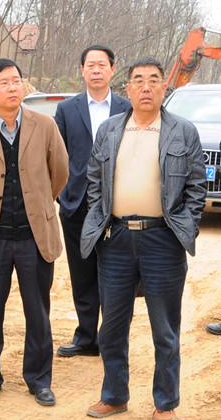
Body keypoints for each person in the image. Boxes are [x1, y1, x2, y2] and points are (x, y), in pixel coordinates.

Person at [81, 57, 206, 420]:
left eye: (154, 80)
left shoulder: (183, 131)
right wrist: (100, 220)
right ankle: (114, 396)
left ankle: (165, 404)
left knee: (164, 330)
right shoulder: (110, 129)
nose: (146, 87)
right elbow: (94, 180)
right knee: (111, 327)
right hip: (116, 240)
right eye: (139, 81)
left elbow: (196, 186)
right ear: (128, 89)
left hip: (163, 241)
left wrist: (185, 227)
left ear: (164, 87)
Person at [0, 58, 68, 406]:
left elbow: (59, 172)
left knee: (38, 312)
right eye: (4, 82)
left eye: (16, 81)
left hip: (35, 237)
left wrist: (39, 204)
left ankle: (39, 379)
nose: (12, 87)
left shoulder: (44, 126)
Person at [54, 45, 131, 358]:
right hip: (77, 204)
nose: (96, 70)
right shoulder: (66, 109)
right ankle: (86, 337)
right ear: (82, 70)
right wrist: (62, 195)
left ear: (112, 69)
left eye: (102, 64)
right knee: (82, 272)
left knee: (117, 274)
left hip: (119, 205)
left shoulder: (127, 108)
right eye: (90, 65)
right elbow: (57, 155)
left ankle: (112, 339)